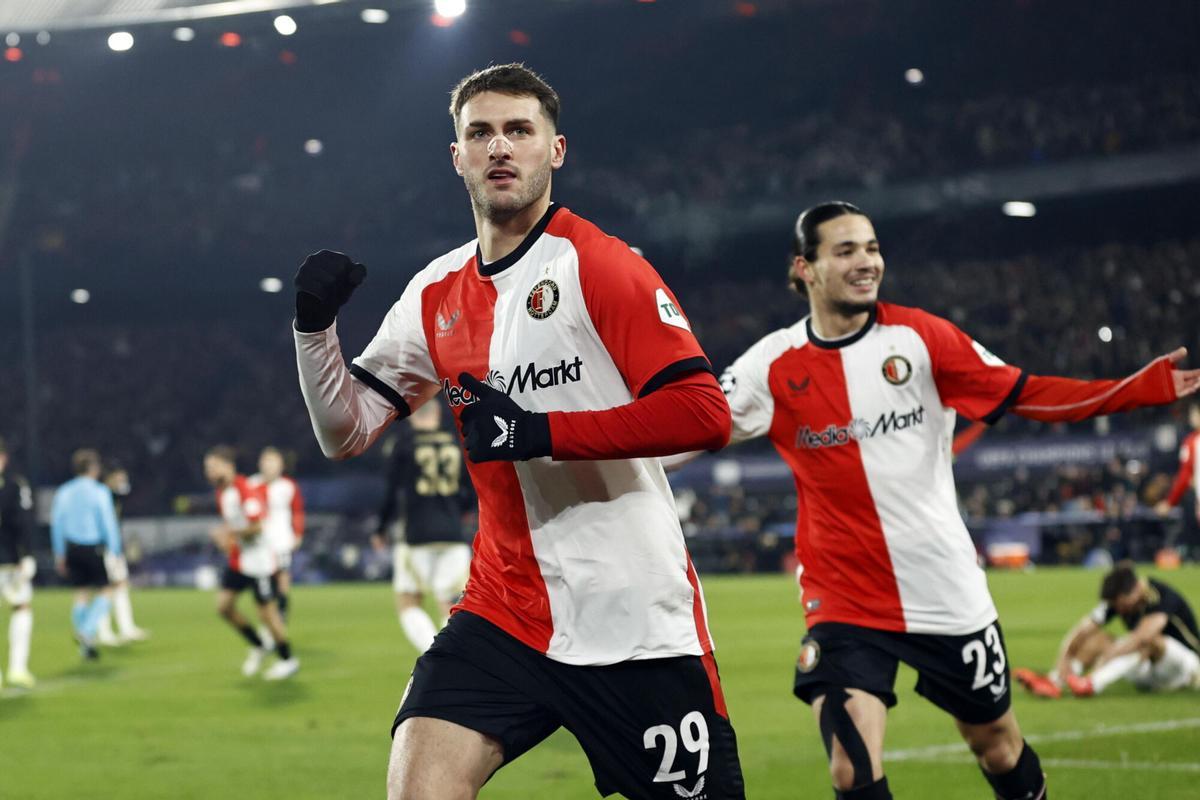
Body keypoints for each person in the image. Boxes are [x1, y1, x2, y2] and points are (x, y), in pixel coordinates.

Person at [293, 63, 744, 800]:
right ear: (457, 156)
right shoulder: (434, 292)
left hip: (632, 619)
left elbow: (703, 413)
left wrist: (540, 432)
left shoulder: (602, 266)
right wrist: (314, 331)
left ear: (554, 151)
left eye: (518, 131)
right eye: (480, 133)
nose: (499, 147)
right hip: (504, 612)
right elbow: (346, 431)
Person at [699, 200, 1199, 800]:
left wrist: (1134, 390)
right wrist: (576, 438)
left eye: (873, 248)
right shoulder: (771, 365)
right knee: (850, 767)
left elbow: (1027, 393)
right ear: (804, 268)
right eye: (846, 250)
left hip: (944, 590)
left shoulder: (922, 338)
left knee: (996, 745)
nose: (867, 262)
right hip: (844, 596)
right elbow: (689, 426)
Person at [370, 400, 473, 654]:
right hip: (452, 535)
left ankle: (435, 657)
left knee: (408, 603)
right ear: (437, 414)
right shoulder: (456, 443)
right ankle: (456, 660)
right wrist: (454, 513)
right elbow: (470, 493)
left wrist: (381, 528)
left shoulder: (403, 445)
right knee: (450, 606)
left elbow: (392, 493)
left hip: (416, 535)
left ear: (411, 416)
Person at [1015, 564, 1200, 699]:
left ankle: (1092, 683)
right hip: (1149, 672)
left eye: (1121, 605)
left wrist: (1106, 658)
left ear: (1135, 590)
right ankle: (1055, 682)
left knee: (1148, 641)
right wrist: (1064, 657)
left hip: (1186, 671)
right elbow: (1082, 629)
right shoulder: (1117, 602)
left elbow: (1142, 638)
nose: (1120, 610)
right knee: (1098, 639)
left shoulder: (1161, 596)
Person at [204, 446, 299, 681]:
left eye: (213, 466)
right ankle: (258, 644)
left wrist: (229, 534)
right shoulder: (221, 493)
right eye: (207, 468)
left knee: (267, 614)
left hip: (260, 562)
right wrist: (229, 538)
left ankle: (288, 659)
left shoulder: (243, 489)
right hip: (240, 560)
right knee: (224, 607)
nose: (209, 472)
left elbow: (257, 525)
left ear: (227, 466)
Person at [50, 449, 120, 660]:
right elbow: (108, 523)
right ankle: (87, 630)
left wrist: (59, 553)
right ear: (93, 469)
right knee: (107, 590)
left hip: (71, 548)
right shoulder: (99, 491)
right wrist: (115, 550)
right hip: (92, 547)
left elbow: (57, 524)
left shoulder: (63, 492)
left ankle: (85, 648)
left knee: (80, 593)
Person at [96, 462, 150, 645]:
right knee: (107, 588)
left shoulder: (114, 497)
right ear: (109, 477)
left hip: (114, 548)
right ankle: (104, 631)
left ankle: (127, 628)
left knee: (120, 585)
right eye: (120, 477)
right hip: (104, 548)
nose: (123, 482)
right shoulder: (102, 496)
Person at [249, 446, 304, 623]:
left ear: (281, 465)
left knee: (282, 575)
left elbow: (297, 511)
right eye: (266, 461)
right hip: (259, 541)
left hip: (281, 539)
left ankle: (281, 611)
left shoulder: (288, 486)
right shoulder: (251, 484)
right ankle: (269, 616)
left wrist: (297, 534)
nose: (269, 466)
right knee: (263, 580)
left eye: (273, 462)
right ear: (260, 464)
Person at [0, 437, 37, 688]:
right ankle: (16, 669)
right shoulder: (15, 486)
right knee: (22, 606)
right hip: (8, 560)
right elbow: (22, 524)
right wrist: (27, 555)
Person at [1155, 402, 1200, 558]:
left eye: (1194, 414)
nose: (1191, 418)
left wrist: (1170, 502)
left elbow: (1184, 476)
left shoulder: (1193, 441)